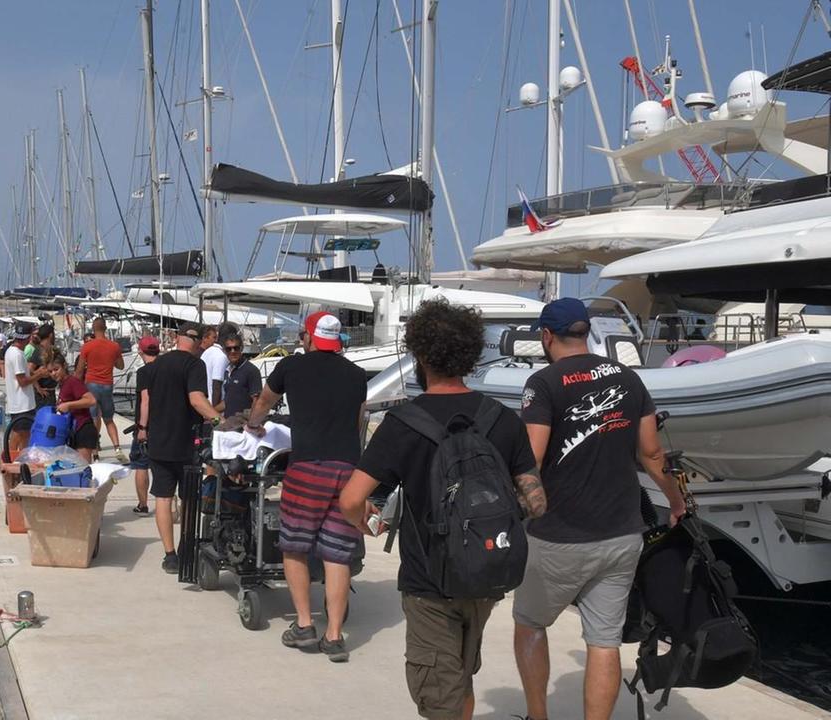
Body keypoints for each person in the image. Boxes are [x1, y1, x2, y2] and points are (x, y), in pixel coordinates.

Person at [339, 299, 547, 720]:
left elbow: (350, 499)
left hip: (428, 579)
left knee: (439, 693)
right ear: (470, 354)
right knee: (460, 676)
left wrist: (364, 521)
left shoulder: (403, 423)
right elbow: (536, 502)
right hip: (487, 574)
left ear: (420, 354)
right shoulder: (501, 419)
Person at [512, 297, 687, 720]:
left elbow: (530, 459)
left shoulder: (544, 383)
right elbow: (651, 452)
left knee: (531, 624)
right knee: (604, 641)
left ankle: (538, 716)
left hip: (558, 536)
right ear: (585, 332)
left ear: (547, 336)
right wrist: (678, 501)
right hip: (622, 535)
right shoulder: (627, 378)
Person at [245, 311, 366, 662]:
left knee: (295, 546)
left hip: (307, 466)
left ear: (309, 337)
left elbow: (264, 402)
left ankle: (303, 625)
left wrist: (254, 425)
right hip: (346, 470)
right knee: (338, 552)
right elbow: (357, 419)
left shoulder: (291, 368)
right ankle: (334, 635)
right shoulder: (357, 375)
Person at [141, 322, 220, 574]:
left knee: (163, 498)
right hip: (186, 441)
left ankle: (170, 554)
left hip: (158, 440)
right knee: (188, 498)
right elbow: (196, 399)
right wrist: (218, 421)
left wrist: (143, 429)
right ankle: (187, 545)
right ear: (197, 343)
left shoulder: (156, 365)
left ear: (177, 339)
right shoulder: (195, 365)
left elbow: (147, 400)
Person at [75, 317, 126, 460]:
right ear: (105, 328)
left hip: (91, 384)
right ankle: (117, 449)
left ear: (93, 328)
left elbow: (79, 371)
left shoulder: (87, 347)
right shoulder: (114, 346)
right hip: (107, 385)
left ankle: (95, 451)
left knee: (93, 418)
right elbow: (121, 365)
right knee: (108, 419)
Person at [130, 335, 160, 514]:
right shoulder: (166, 369)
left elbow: (145, 400)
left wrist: (142, 427)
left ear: (141, 351)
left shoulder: (144, 372)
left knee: (141, 465)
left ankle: (143, 504)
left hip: (147, 424)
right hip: (163, 424)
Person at [49, 356, 98, 464]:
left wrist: (69, 405)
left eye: (56, 369)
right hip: (73, 430)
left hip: (84, 428)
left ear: (64, 366)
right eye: (50, 371)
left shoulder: (72, 382)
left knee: (83, 468)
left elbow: (91, 400)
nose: (53, 373)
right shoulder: (62, 385)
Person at [3, 322, 46, 428]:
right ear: (28, 337)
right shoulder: (17, 355)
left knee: (19, 436)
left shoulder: (13, 351)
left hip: (19, 404)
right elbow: (22, 382)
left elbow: (23, 374)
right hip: (22, 405)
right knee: (21, 436)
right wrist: (39, 375)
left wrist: (36, 374)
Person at [218, 333, 260, 418]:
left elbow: (257, 401)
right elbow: (228, 401)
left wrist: (251, 425)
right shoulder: (227, 371)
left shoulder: (251, 371)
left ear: (241, 348)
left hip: (243, 425)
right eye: (229, 349)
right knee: (211, 425)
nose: (232, 351)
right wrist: (209, 412)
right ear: (224, 351)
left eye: (236, 348)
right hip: (228, 424)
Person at [26, 324, 59, 408]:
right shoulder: (39, 350)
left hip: (50, 391)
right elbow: (29, 370)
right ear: (51, 335)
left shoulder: (50, 350)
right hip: (43, 394)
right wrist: (38, 388)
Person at [199, 323, 231, 409]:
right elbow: (216, 385)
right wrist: (214, 412)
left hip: (203, 404)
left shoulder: (207, 351)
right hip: (214, 407)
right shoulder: (221, 356)